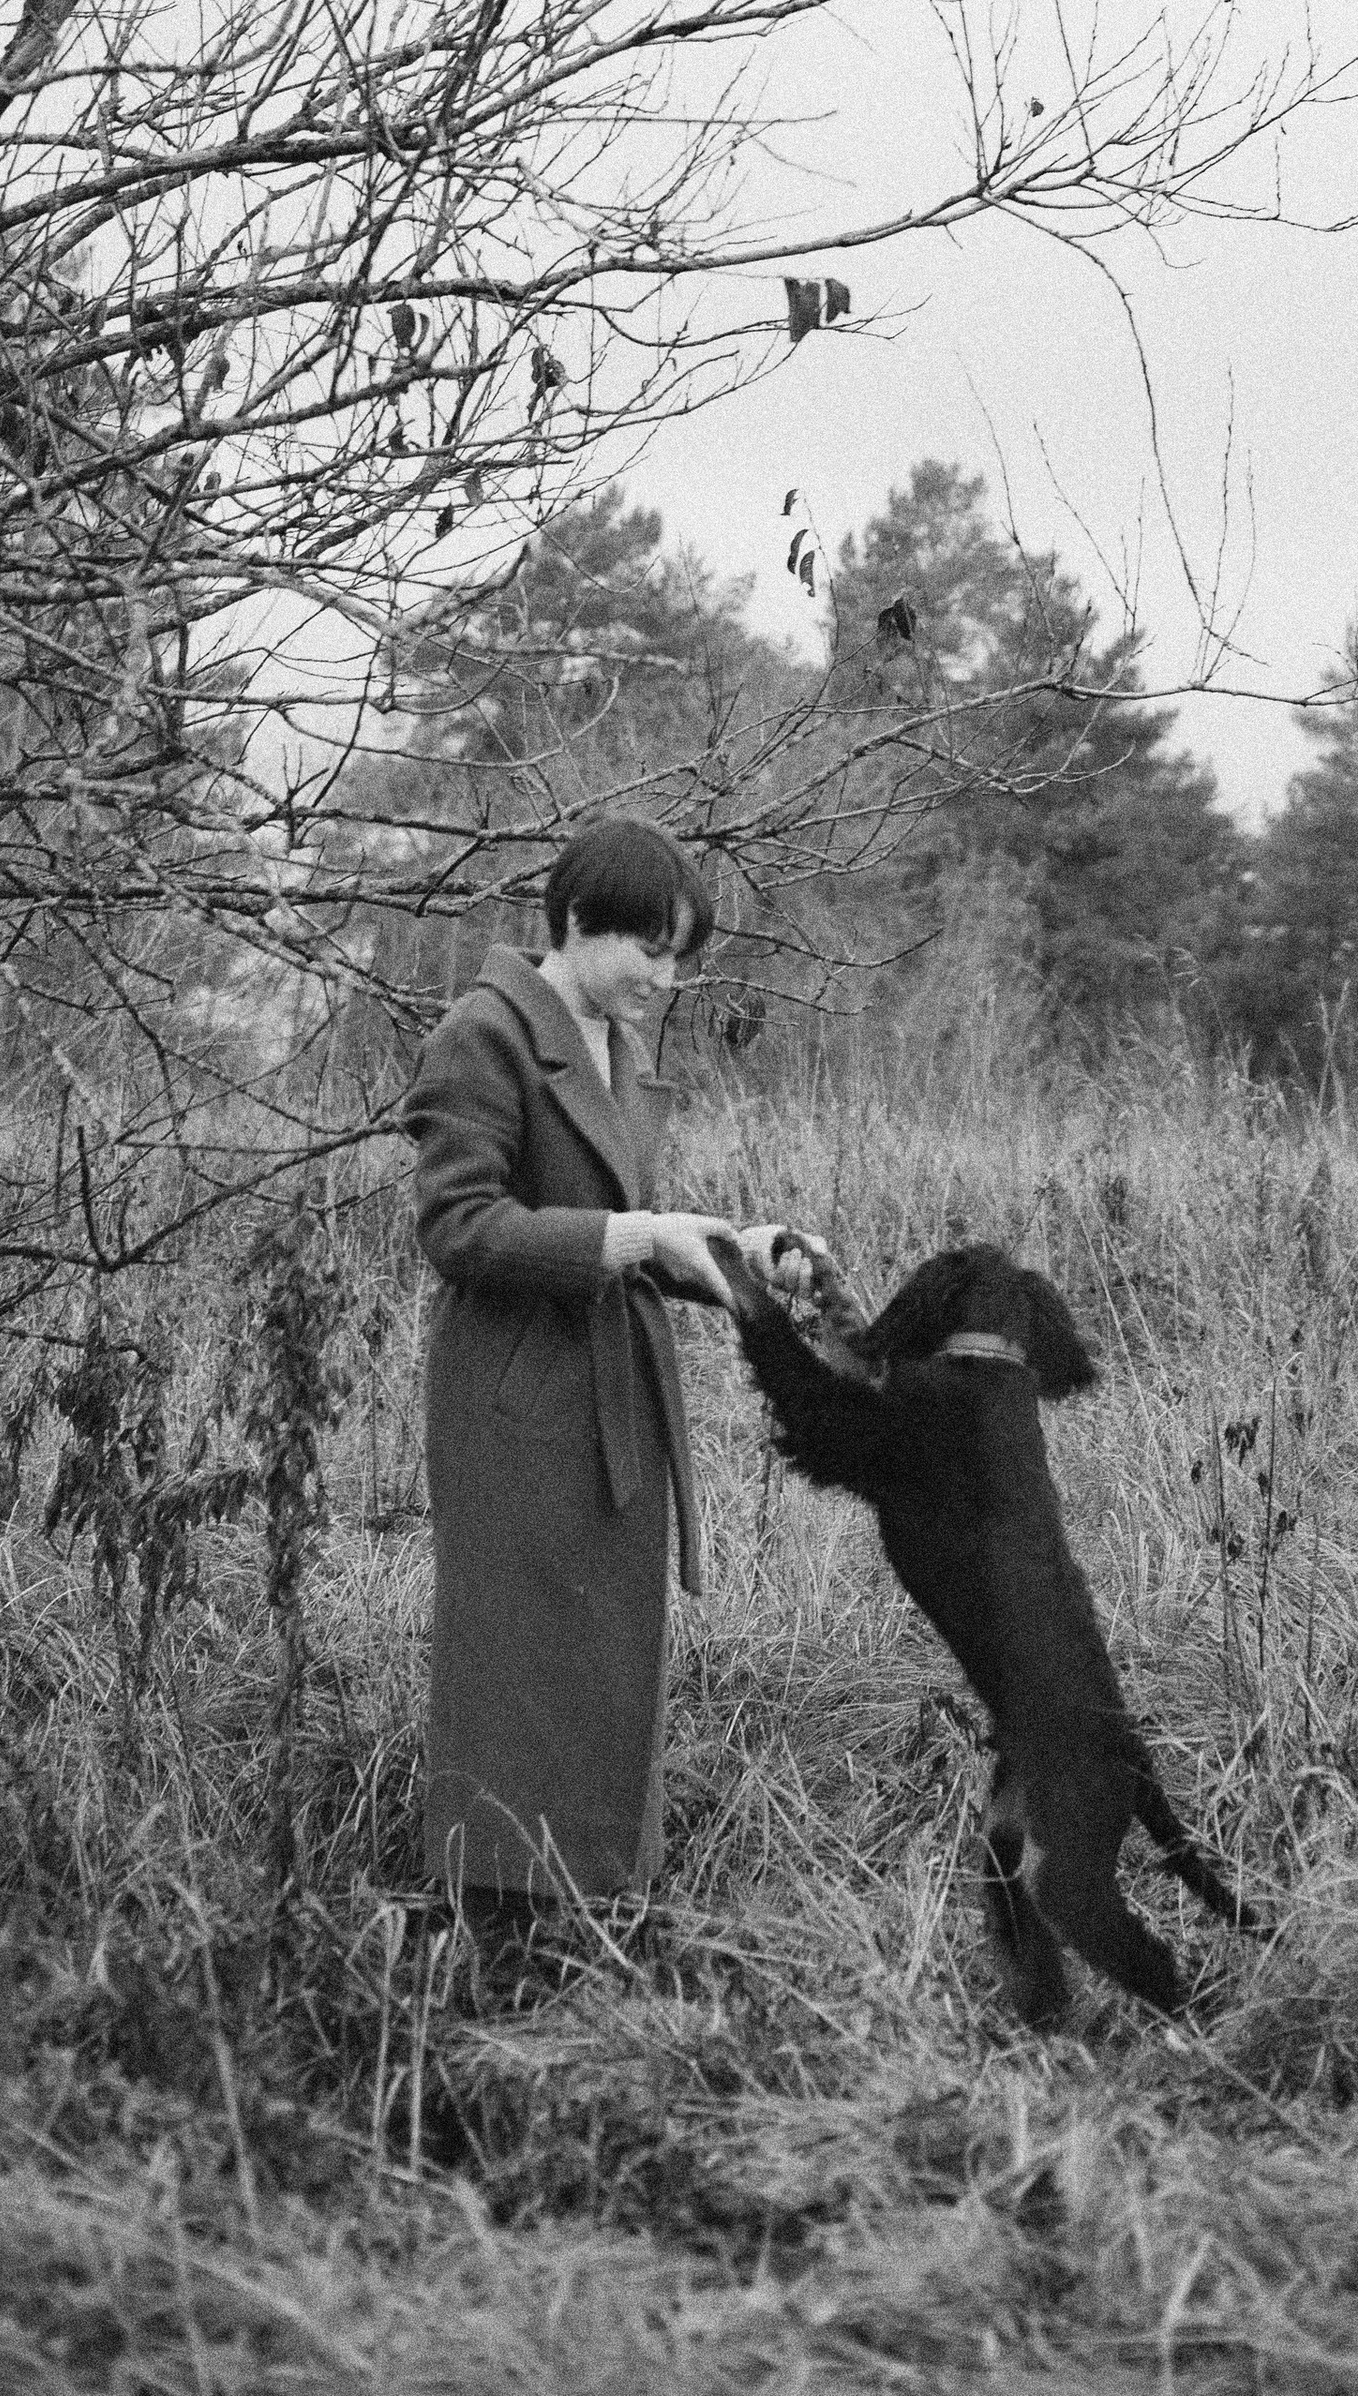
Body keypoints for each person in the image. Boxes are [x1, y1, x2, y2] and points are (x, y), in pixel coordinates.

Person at [402, 816, 820, 1964]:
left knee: (600, 1668)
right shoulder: (483, 1035)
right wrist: (641, 1234)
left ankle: (588, 1919)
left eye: (682, 956)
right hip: (515, 1406)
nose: (668, 980)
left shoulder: (612, 1047)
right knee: (518, 1668)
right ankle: (492, 1932)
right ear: (580, 923)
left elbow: (627, 1236)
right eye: (652, 950)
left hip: (609, 1397)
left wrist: (742, 1250)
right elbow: (460, 1227)